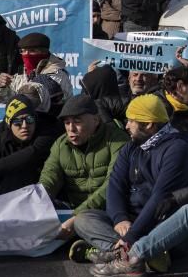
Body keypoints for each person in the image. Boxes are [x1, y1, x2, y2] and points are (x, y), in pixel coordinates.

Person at [70, 94, 188, 266]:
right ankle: (142, 254)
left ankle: (119, 251)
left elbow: (160, 198)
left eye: (131, 121)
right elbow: (115, 185)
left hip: (162, 222)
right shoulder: (131, 147)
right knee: (82, 219)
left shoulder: (177, 149)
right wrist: (120, 218)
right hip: (133, 221)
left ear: (149, 125)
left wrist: (131, 235)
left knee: (181, 216)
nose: (126, 126)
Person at [38, 95, 130, 241]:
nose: (71, 128)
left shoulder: (118, 141)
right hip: (73, 211)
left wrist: (77, 215)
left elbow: (112, 185)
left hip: (108, 210)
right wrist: (38, 200)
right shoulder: (61, 145)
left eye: (77, 121)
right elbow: (49, 177)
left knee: (84, 222)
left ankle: (119, 247)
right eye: (67, 123)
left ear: (95, 120)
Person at [0, 32, 72, 104]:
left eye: (32, 51)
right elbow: (2, 101)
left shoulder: (57, 74)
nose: (26, 54)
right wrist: (0, 86)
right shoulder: (21, 75)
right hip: (22, 119)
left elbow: (54, 103)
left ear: (44, 52)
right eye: (23, 51)